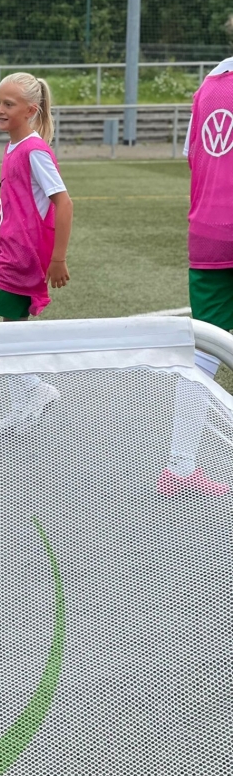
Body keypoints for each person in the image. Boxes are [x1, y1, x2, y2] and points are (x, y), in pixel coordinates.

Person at [0, 72, 73, 435]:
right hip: (12, 254)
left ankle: (36, 390)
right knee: (12, 337)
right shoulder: (14, 148)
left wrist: (58, 258)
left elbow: (64, 202)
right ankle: (24, 406)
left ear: (30, 110)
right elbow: (13, 196)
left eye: (8, 104)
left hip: (19, 261)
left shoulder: (34, 150)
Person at [159, 55, 233, 496]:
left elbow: (193, 155)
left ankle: (179, 466)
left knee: (204, 355)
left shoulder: (208, 87)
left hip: (207, 231)